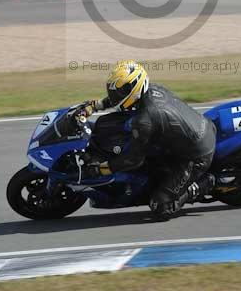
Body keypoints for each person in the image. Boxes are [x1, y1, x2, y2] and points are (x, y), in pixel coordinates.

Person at [80, 60, 216, 219]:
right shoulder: (151, 89)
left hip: (195, 156)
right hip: (191, 132)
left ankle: (204, 183)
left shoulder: (145, 120)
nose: (114, 95)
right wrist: (96, 105)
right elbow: (119, 99)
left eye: (119, 91)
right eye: (113, 91)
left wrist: (102, 168)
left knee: (160, 206)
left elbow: (133, 160)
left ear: (134, 88)